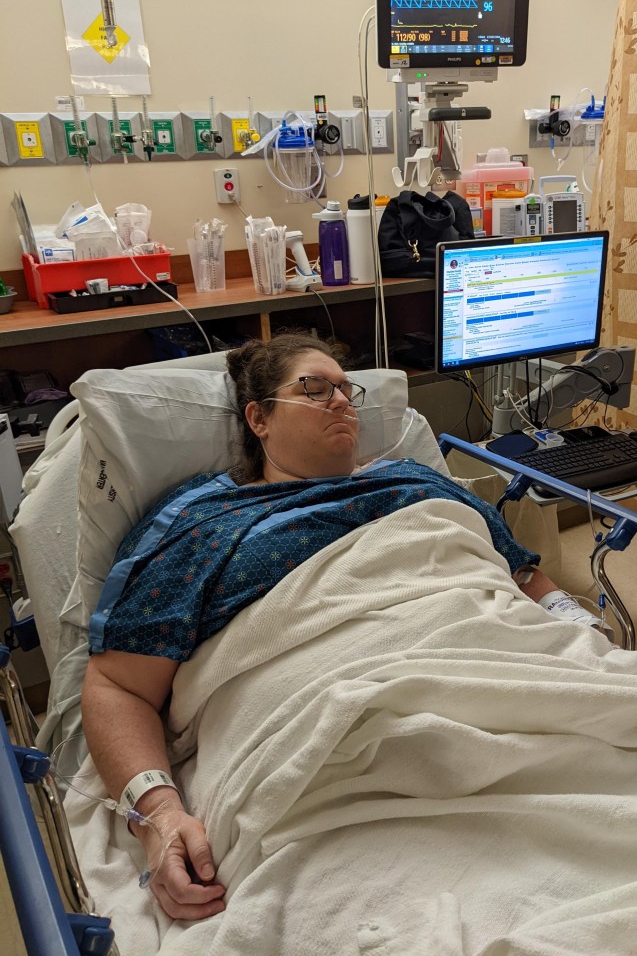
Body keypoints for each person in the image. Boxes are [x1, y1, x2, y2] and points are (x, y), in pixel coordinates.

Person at [81, 331, 605, 922]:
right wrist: (157, 814)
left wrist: (572, 621)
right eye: (313, 388)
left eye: (346, 390)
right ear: (258, 418)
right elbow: (118, 683)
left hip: (498, 663)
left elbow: (520, 573)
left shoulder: (415, 482)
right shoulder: (203, 519)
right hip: (328, 719)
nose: (340, 400)